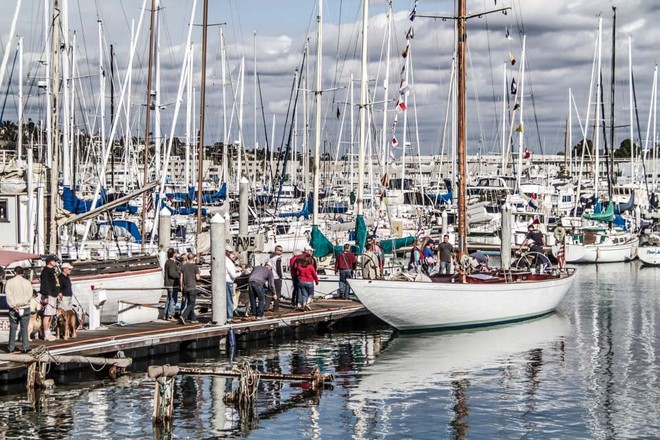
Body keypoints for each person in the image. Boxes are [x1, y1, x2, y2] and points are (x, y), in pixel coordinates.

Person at [6, 267, 33, 353]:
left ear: (14, 272)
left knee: (13, 328)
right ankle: (25, 347)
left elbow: (8, 295)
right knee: (24, 328)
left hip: (13, 308)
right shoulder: (27, 282)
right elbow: (29, 295)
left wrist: (14, 305)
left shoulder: (9, 282)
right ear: (22, 273)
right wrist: (21, 303)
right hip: (25, 307)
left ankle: (11, 348)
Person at [40, 255, 59, 341]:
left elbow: (55, 283)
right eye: (54, 260)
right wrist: (46, 295)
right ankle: (45, 333)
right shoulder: (45, 271)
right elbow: (45, 284)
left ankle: (49, 331)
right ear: (50, 261)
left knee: (51, 314)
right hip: (49, 295)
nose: (55, 262)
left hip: (54, 294)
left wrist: (58, 293)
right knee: (47, 314)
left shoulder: (53, 271)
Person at [179, 253, 200, 325]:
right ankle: (183, 315)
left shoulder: (183, 267)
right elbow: (197, 278)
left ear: (187, 258)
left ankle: (193, 318)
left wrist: (181, 286)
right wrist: (198, 275)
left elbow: (181, 277)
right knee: (191, 304)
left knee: (190, 303)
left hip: (185, 287)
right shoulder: (195, 267)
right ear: (193, 258)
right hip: (192, 287)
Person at [163, 248, 181, 321]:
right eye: (175, 253)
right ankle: (170, 315)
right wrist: (179, 276)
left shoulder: (167, 262)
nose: (176, 254)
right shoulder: (171, 263)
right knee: (173, 300)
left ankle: (165, 314)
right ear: (173, 254)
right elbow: (172, 273)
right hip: (172, 284)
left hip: (168, 283)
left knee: (169, 300)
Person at [267, 245, 284, 312]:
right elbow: (278, 268)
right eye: (279, 250)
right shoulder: (278, 258)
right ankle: (276, 308)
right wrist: (280, 276)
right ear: (276, 250)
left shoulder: (271, 259)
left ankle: (266, 307)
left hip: (271, 277)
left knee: (270, 292)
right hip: (277, 277)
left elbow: (268, 267)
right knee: (277, 293)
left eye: (281, 251)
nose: (280, 252)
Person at [225, 247, 240, 322]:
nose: (231, 254)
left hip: (222, 281)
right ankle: (230, 316)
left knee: (224, 299)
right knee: (229, 299)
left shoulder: (222, 260)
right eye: (230, 252)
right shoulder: (228, 262)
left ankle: (225, 315)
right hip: (228, 282)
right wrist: (241, 273)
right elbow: (233, 275)